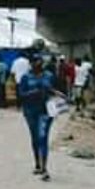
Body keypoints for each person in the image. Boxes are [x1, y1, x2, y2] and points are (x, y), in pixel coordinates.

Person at [19, 54, 61, 182]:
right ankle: (37, 163)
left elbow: (54, 89)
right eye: (35, 61)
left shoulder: (49, 76)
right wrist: (35, 92)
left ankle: (44, 168)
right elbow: (21, 94)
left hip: (45, 110)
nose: (38, 64)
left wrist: (57, 94)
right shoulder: (25, 77)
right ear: (31, 63)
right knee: (35, 137)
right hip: (30, 110)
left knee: (43, 136)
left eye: (40, 61)